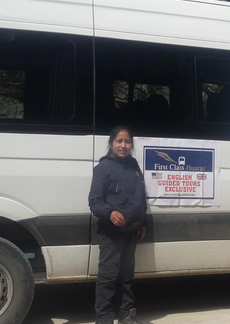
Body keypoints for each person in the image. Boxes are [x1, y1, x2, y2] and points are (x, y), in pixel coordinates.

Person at [88, 126, 147, 324]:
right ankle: (103, 318)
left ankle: (126, 314)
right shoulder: (103, 168)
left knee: (126, 276)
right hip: (111, 231)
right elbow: (94, 202)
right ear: (111, 143)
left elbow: (141, 197)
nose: (123, 145)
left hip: (132, 229)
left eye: (127, 142)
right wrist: (110, 213)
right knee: (108, 276)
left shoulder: (134, 166)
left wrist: (142, 222)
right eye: (119, 141)